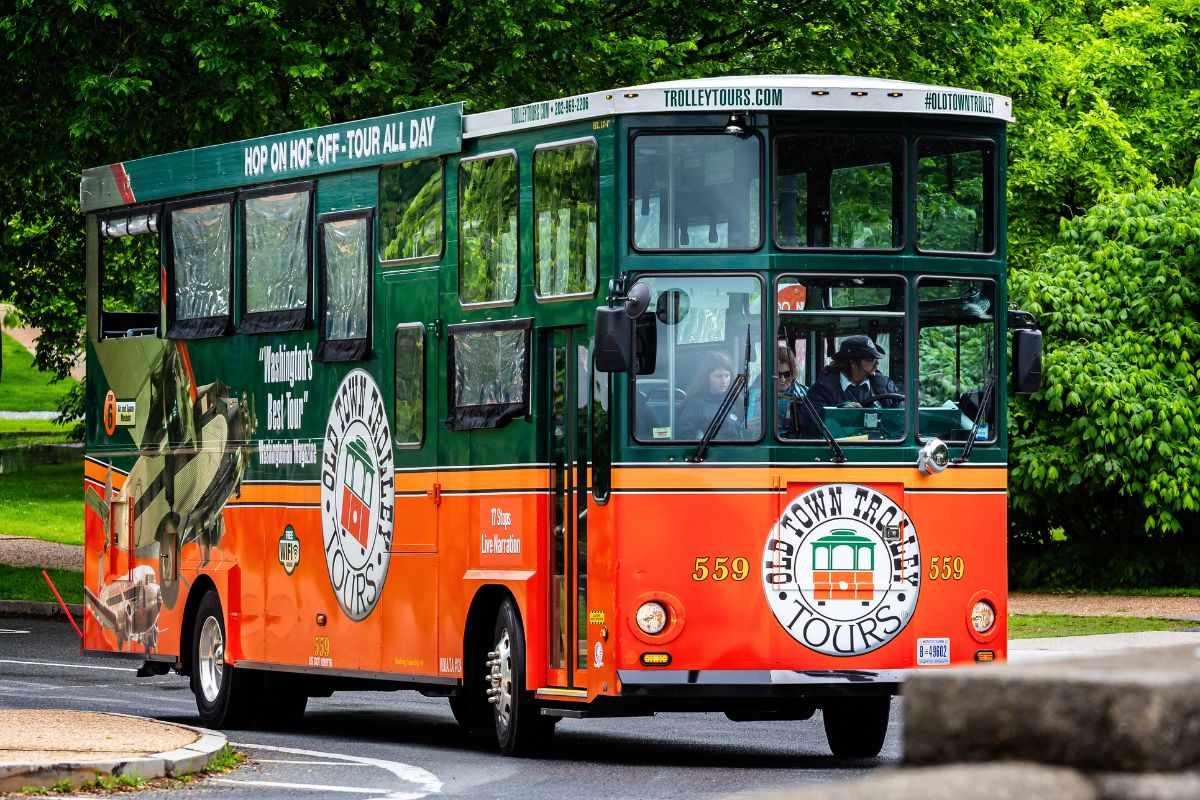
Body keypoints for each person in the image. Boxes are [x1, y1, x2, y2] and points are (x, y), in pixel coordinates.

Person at [806, 335, 903, 409]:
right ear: (853, 362)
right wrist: (838, 412)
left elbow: (902, 415)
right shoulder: (823, 389)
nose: (877, 363)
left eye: (876, 359)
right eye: (870, 360)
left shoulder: (885, 385)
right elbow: (812, 423)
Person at [676, 352, 743, 439]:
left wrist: (748, 429)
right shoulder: (694, 404)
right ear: (707, 378)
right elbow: (686, 439)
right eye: (718, 376)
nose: (724, 381)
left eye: (727, 376)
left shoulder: (737, 401)